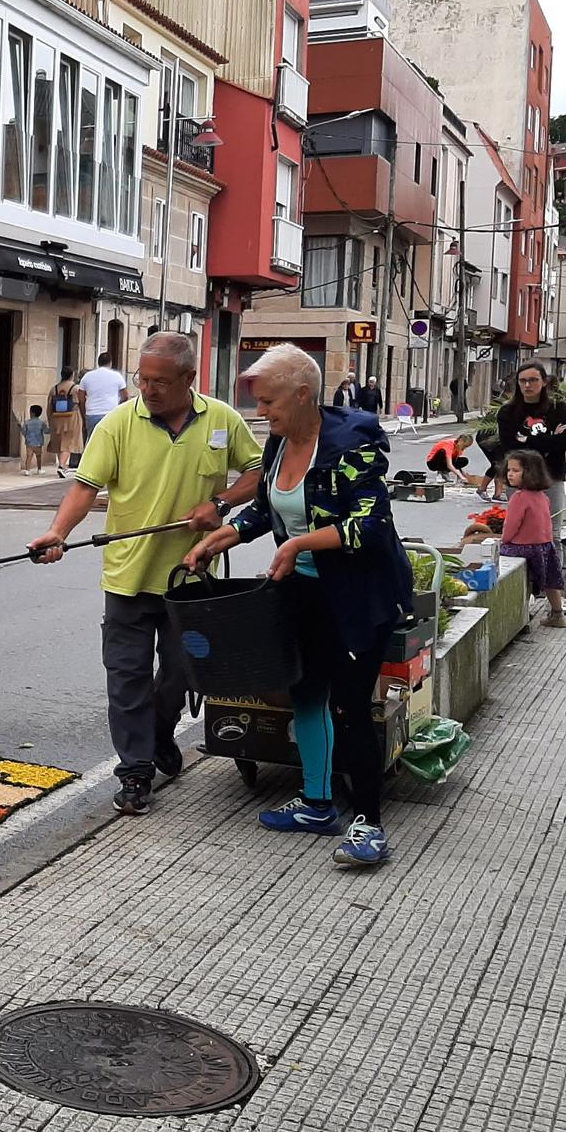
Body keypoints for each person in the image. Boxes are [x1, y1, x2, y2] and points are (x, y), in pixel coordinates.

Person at [184, 344, 414, 867]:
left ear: (302, 394)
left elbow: (371, 526)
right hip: (304, 591)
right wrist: (222, 537)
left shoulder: (352, 442)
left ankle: (368, 825)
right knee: (306, 694)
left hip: (358, 594)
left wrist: (298, 546)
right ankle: (316, 804)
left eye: (269, 402)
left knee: (351, 706)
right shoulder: (279, 443)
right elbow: (267, 510)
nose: (261, 413)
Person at [29, 332, 263, 816]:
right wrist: (56, 533)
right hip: (128, 578)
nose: (149, 390)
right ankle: (135, 772)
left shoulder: (222, 419)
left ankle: (159, 734)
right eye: (143, 379)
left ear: (188, 379)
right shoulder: (118, 424)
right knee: (126, 678)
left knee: (180, 675)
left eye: (160, 382)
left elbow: (260, 472)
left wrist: (220, 503)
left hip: (192, 583)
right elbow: (85, 487)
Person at [496, 363, 566, 525]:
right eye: (522, 380)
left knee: (552, 532)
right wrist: (550, 439)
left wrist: (527, 440)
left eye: (533, 380)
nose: (527, 385)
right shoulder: (508, 412)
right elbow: (510, 447)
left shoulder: (558, 409)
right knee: (521, 529)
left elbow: (564, 442)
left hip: (552, 476)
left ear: (544, 381)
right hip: (519, 479)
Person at [500, 449, 566, 629]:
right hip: (545, 547)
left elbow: (511, 526)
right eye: (509, 470)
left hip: (523, 548)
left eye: (515, 470)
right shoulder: (542, 497)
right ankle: (557, 613)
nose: (510, 474)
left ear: (529, 473)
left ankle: (519, 614)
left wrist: (503, 540)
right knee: (551, 581)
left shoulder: (519, 498)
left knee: (502, 566)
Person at [78, 350, 130, 433]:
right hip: (111, 413)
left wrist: (84, 417)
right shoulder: (117, 376)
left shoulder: (87, 376)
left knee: (92, 441)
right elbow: (125, 396)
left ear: (98, 363)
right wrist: (117, 406)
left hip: (92, 414)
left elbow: (81, 399)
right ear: (110, 363)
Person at [46, 370, 84, 477]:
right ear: (72, 375)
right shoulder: (76, 388)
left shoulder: (54, 389)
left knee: (59, 442)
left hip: (56, 417)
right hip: (72, 417)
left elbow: (49, 407)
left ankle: (61, 463)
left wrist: (50, 420)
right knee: (69, 442)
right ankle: (62, 466)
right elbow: (82, 402)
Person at [20, 405, 48, 474]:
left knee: (29, 456)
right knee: (39, 456)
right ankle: (39, 469)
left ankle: (27, 470)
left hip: (29, 442)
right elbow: (46, 431)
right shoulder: (41, 423)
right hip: (38, 442)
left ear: (32, 413)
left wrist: (20, 427)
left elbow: (24, 432)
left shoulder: (27, 423)